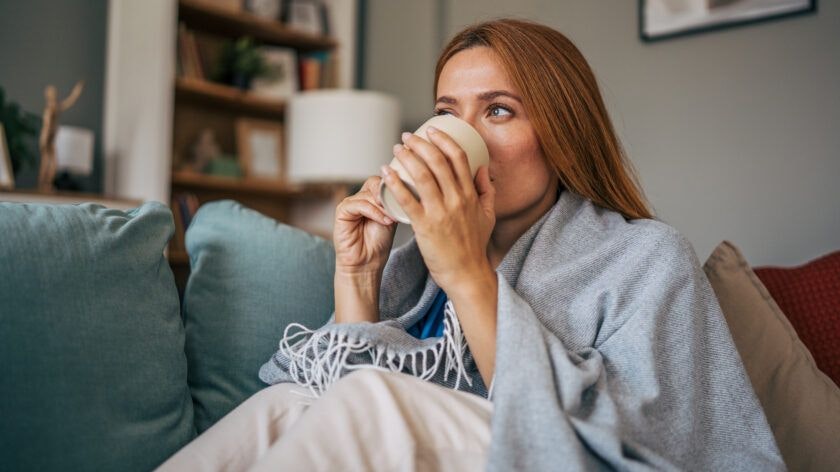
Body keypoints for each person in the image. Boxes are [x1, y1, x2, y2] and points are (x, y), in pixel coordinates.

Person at [158, 19, 783, 471]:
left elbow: (646, 444)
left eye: (499, 111)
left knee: (375, 399)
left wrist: (466, 272)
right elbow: (325, 399)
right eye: (447, 113)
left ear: (562, 135)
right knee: (285, 402)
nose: (462, 138)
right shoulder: (413, 268)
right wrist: (360, 277)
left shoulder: (646, 257)